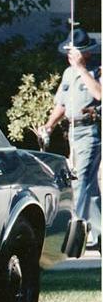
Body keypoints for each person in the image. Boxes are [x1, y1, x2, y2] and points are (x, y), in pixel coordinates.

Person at [42, 28, 102, 248]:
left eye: (74, 52)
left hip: (90, 132)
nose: (70, 56)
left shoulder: (96, 71)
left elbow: (99, 94)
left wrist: (81, 69)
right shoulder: (68, 73)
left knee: (80, 182)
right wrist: (49, 125)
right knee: (90, 188)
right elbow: (62, 103)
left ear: (85, 53)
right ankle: (100, 233)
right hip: (73, 132)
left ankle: (76, 235)